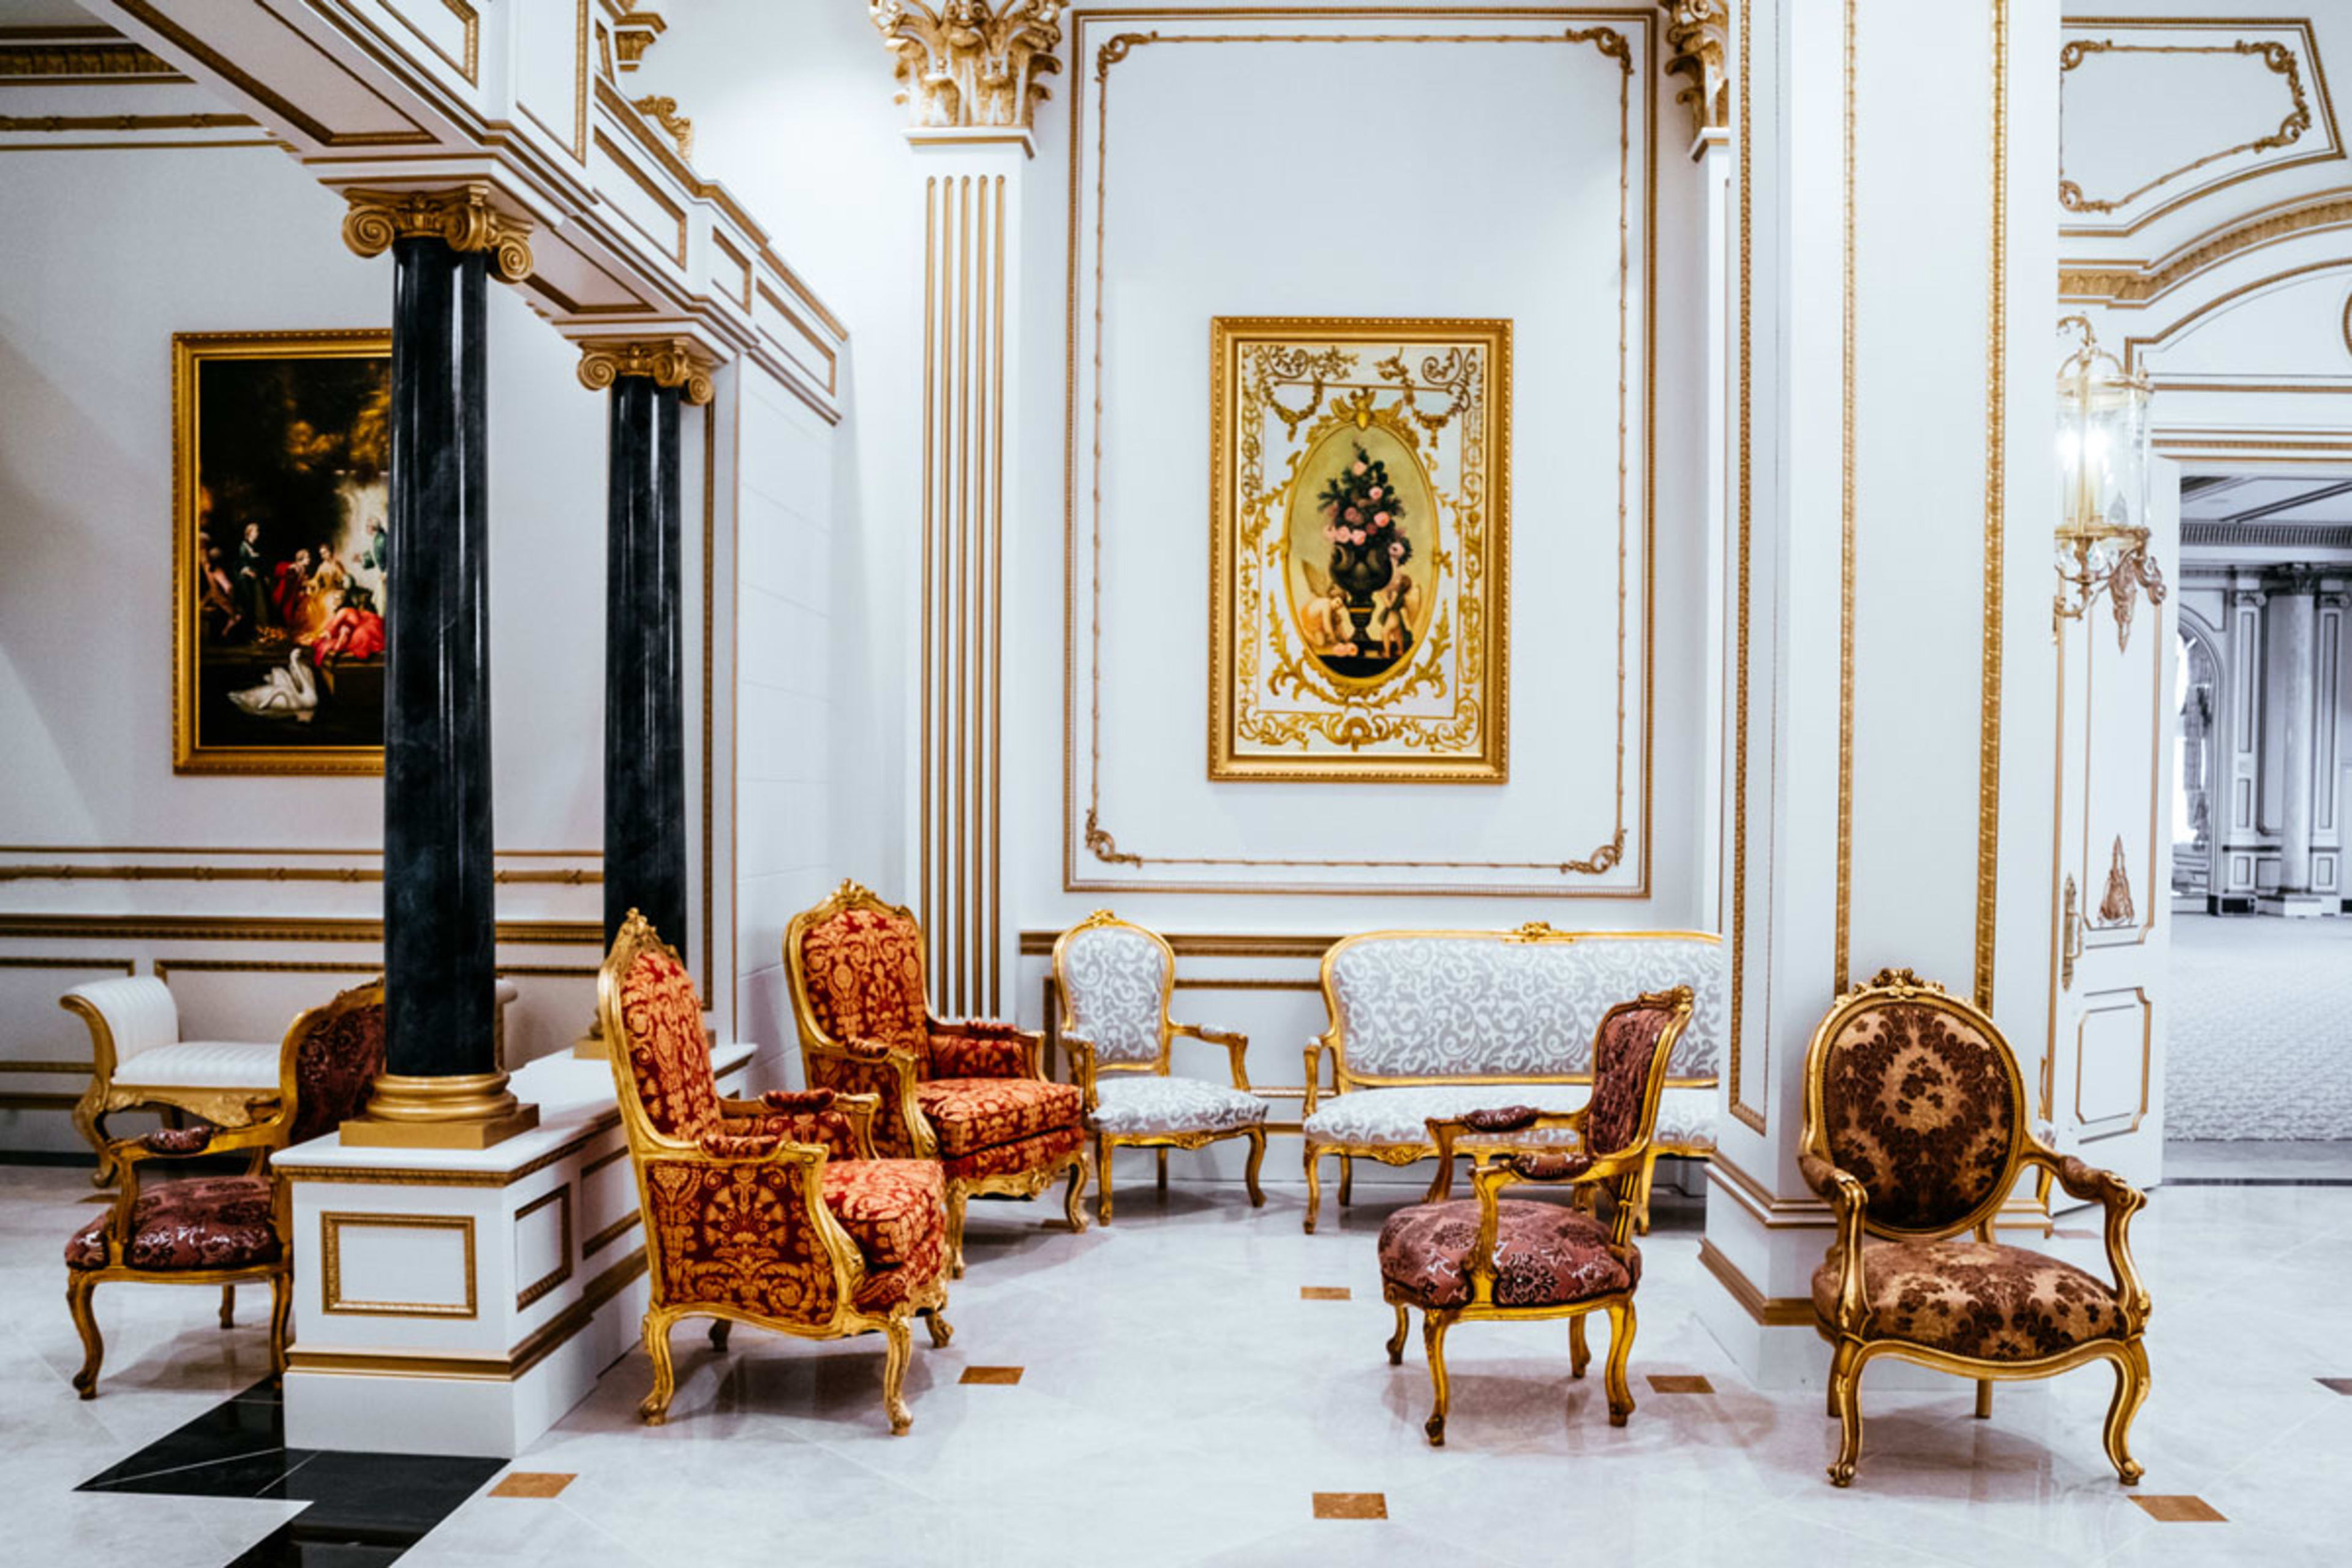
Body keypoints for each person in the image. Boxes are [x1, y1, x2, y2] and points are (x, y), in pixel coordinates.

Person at [306, 584, 384, 665]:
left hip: (366, 630)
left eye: (337, 599)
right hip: (364, 628)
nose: (334, 602)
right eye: (334, 598)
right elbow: (332, 630)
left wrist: (323, 637)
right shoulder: (343, 615)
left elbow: (332, 629)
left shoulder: (344, 612)